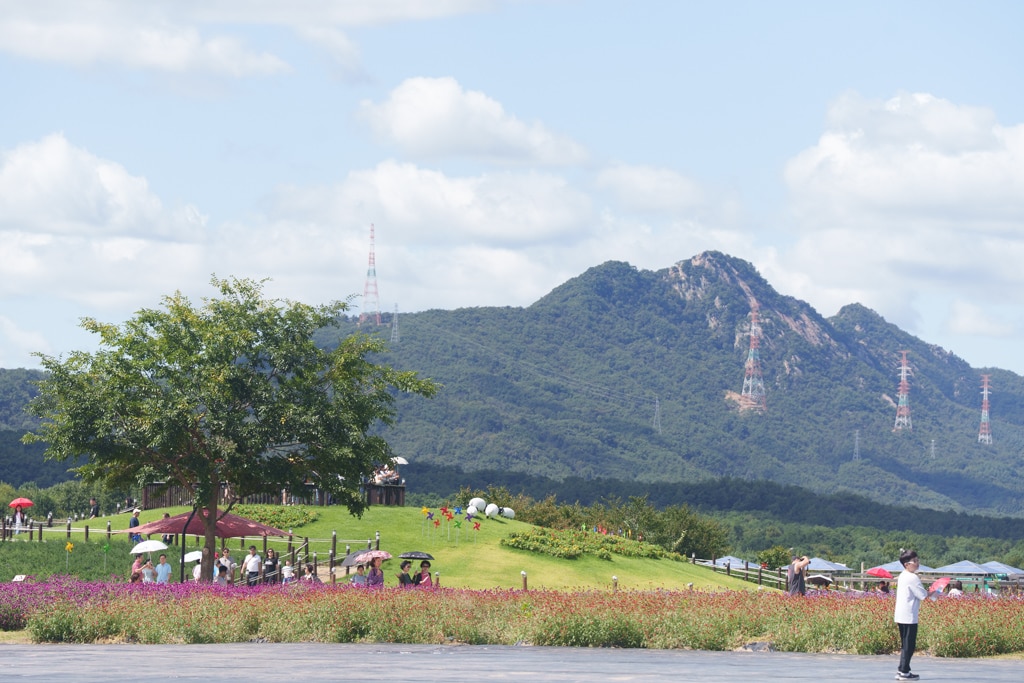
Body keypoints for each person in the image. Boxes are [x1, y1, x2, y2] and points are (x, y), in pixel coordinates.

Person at [894, 549, 929, 680]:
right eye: (914, 561)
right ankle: (904, 671)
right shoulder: (912, 577)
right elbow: (922, 595)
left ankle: (902, 669)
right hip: (909, 616)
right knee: (909, 645)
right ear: (906, 564)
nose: (917, 562)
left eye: (917, 560)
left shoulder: (902, 575)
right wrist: (932, 592)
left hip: (901, 614)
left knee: (905, 644)